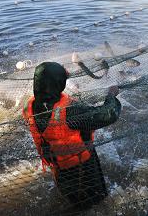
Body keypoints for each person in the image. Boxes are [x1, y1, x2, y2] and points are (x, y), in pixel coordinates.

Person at [22, 62, 121, 209]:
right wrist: (111, 95)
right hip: (83, 168)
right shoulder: (70, 111)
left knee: (73, 201)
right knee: (96, 202)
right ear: (58, 83)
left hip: (58, 170)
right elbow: (108, 115)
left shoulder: (28, 105)